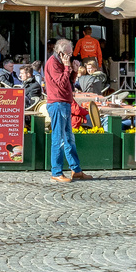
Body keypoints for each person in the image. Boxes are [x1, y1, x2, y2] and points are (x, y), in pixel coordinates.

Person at [42, 38, 88, 184]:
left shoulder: (61, 62)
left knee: (69, 138)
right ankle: (56, 172)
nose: (70, 56)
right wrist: (68, 67)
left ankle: (76, 170)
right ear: (60, 53)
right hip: (57, 103)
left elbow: (69, 83)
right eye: (68, 54)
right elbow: (61, 84)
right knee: (59, 139)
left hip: (65, 103)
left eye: (71, 53)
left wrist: (73, 71)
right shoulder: (53, 63)